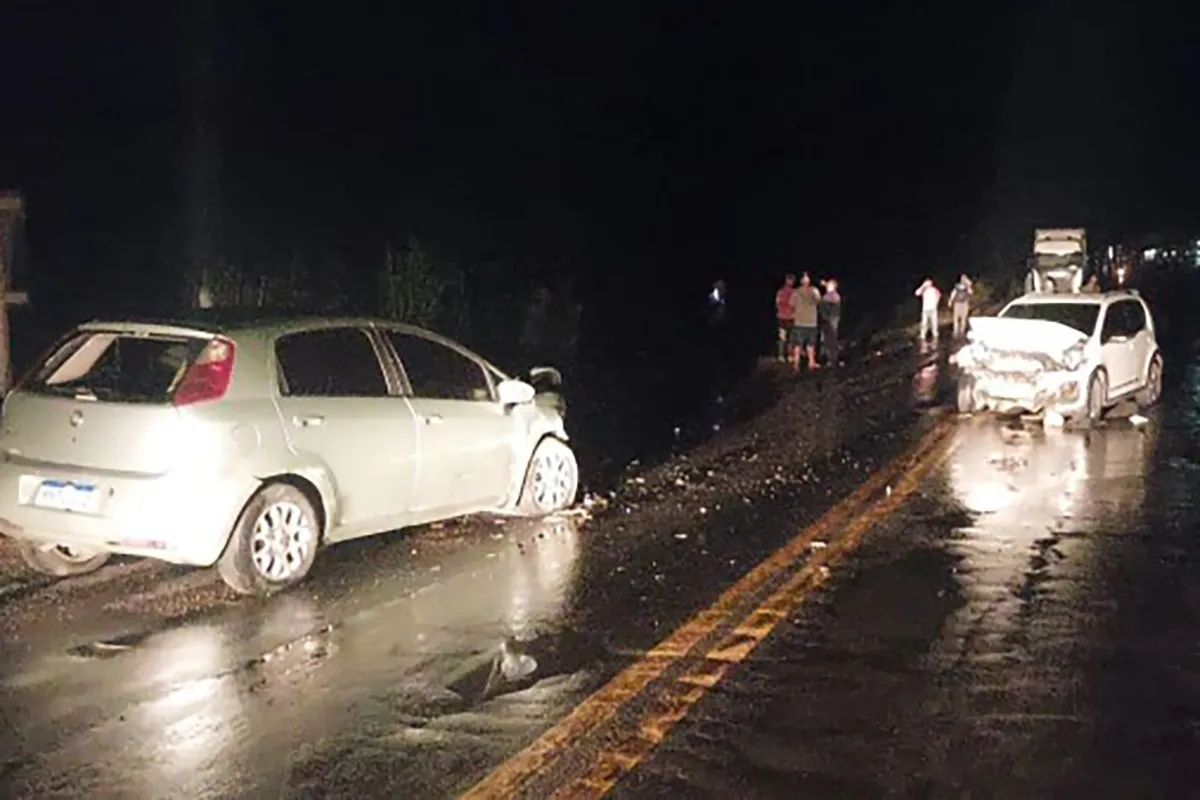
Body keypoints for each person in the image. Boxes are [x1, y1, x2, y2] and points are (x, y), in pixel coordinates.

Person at [788, 272, 822, 371]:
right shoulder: (814, 290)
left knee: (798, 345)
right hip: (811, 322)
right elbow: (819, 301)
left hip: (799, 322)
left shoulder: (795, 292)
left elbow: (791, 304)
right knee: (811, 345)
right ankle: (811, 363)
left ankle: (796, 365)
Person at [818, 278, 842, 367]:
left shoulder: (833, 296)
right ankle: (827, 359)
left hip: (830, 320)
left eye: (830, 285)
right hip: (829, 320)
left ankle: (831, 360)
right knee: (826, 339)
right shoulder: (831, 295)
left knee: (830, 340)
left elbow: (825, 305)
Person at [774, 273, 795, 362]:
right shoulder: (794, 292)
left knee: (782, 337)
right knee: (790, 338)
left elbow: (777, 304)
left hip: (781, 317)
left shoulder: (780, 292)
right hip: (790, 317)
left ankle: (781, 355)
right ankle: (789, 356)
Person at [949, 274, 973, 338]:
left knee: (963, 318)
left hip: (964, 303)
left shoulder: (967, 286)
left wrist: (968, 285)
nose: (963, 279)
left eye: (964, 278)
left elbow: (971, 292)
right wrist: (950, 301)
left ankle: (961, 331)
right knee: (956, 318)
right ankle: (955, 331)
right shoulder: (957, 286)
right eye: (962, 278)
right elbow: (953, 294)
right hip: (957, 304)